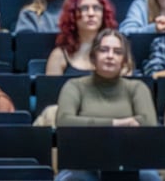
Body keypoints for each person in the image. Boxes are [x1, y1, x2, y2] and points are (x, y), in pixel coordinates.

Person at [55, 30, 157, 181]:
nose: (110, 56)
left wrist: (89, 125)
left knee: (150, 177)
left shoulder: (137, 87)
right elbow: (64, 122)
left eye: (117, 52)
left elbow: (148, 124)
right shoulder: (75, 86)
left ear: (124, 60)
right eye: (103, 50)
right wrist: (116, 123)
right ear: (93, 56)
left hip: (130, 162)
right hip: (82, 163)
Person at [47, 0, 117, 76]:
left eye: (96, 8)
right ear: (72, 15)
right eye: (84, 8)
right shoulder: (59, 56)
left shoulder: (117, 53)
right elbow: (49, 89)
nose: (91, 13)